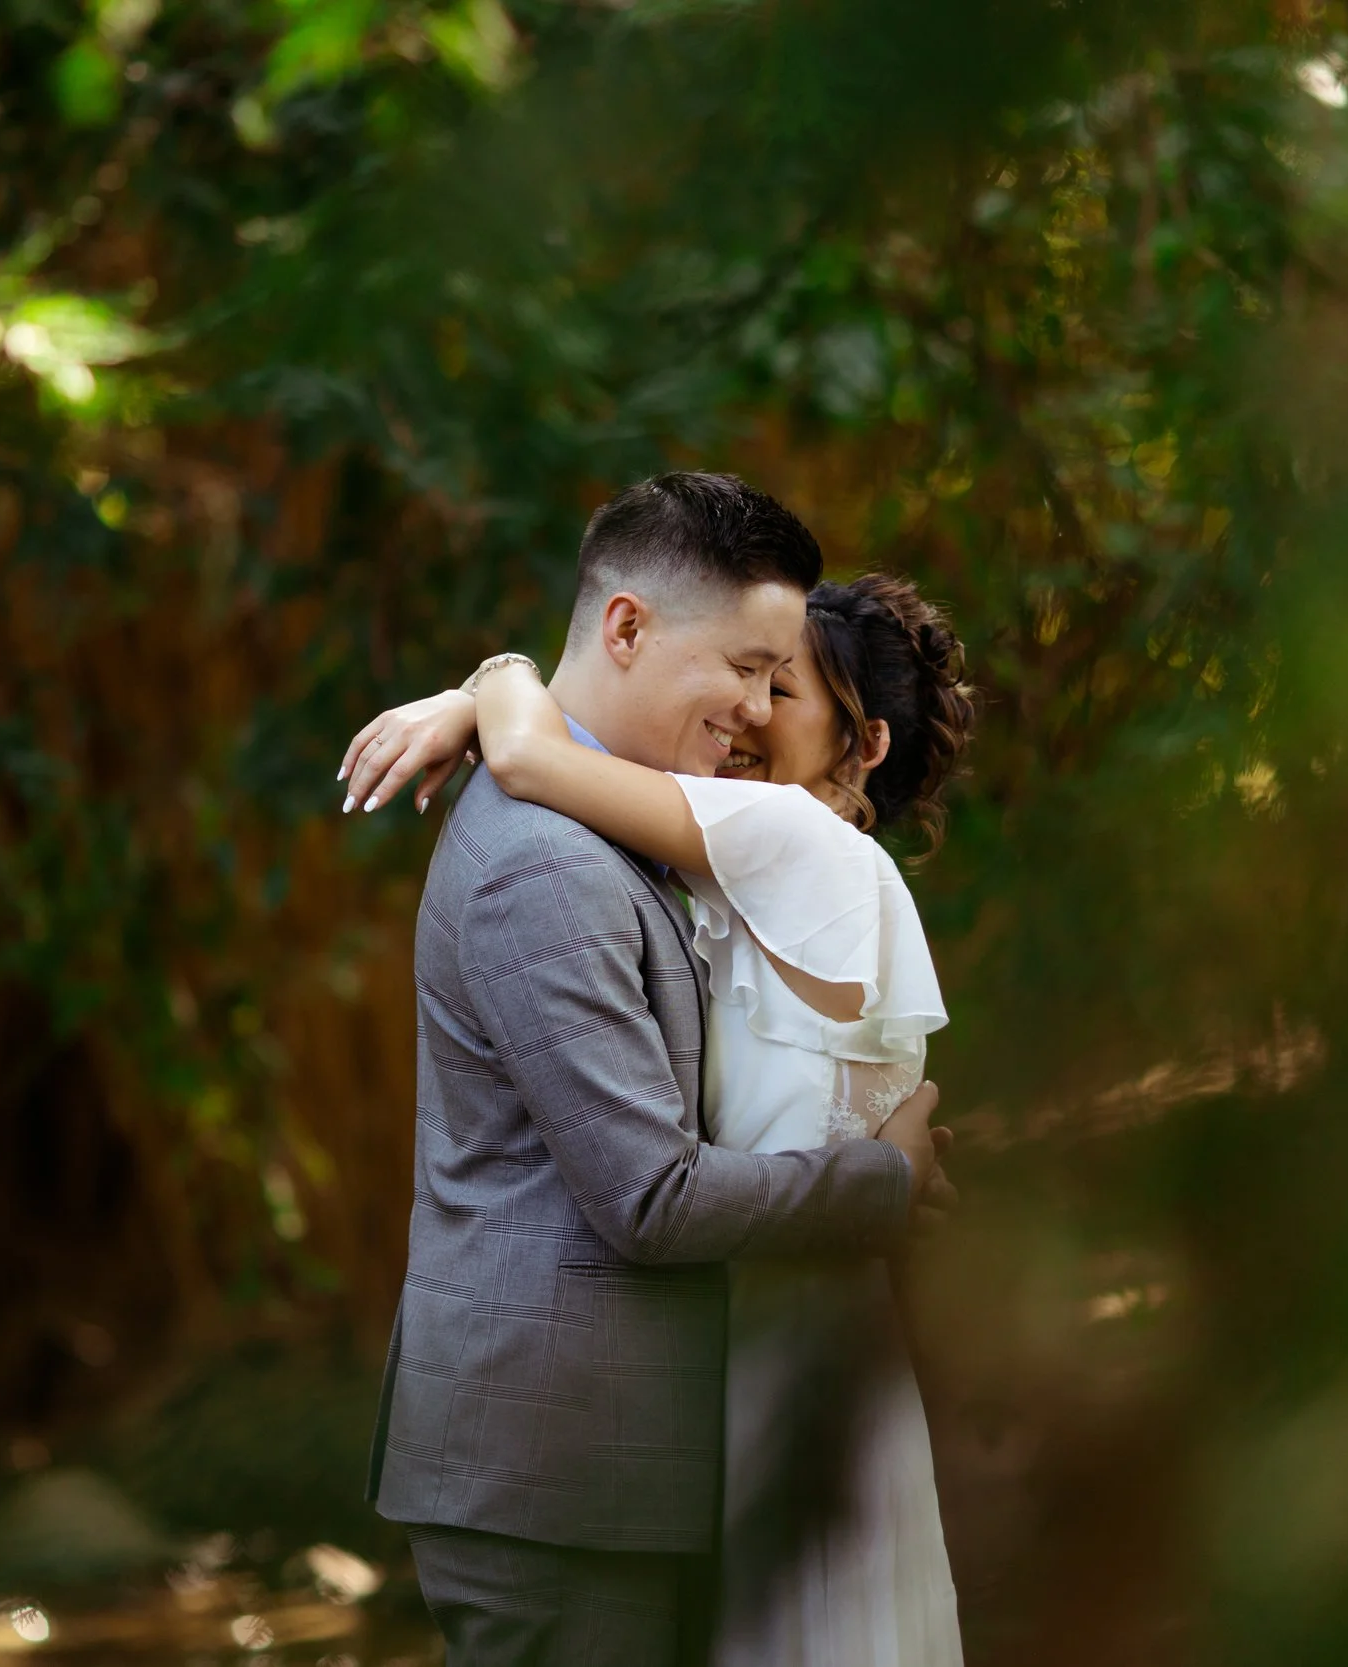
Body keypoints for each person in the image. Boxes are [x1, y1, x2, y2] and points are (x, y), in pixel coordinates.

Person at [347, 473, 957, 1666]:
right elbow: (650, 1194)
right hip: (562, 1480)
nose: (752, 707)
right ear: (628, 627)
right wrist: (881, 1180)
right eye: (745, 669)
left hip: (641, 1460)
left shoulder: (699, 838)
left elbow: (541, 741)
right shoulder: (552, 864)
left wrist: (490, 687)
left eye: (781, 684)